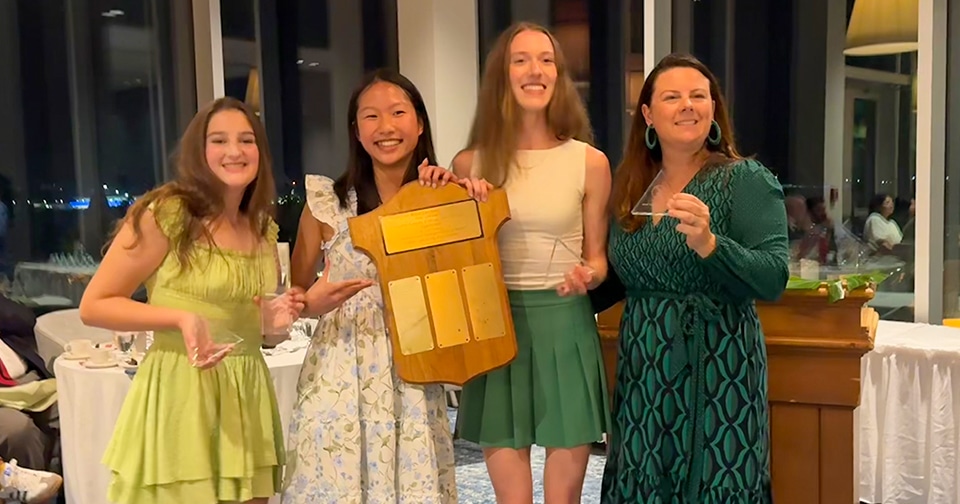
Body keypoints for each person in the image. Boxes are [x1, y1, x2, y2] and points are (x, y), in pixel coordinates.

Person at [420, 22, 612, 503]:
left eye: (546, 60)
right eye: (521, 59)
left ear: (559, 75)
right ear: (501, 76)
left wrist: (588, 276)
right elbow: (449, 259)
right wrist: (439, 194)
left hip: (566, 328)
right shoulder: (469, 165)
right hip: (495, 330)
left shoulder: (590, 162)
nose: (536, 70)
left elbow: (598, 262)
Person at [78, 97, 304, 504]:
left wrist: (271, 325)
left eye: (246, 140)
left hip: (246, 394)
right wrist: (179, 318)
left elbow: (255, 328)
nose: (234, 151)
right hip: (181, 390)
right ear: (199, 153)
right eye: (219, 140)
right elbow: (94, 304)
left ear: (260, 153)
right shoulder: (168, 213)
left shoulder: (262, 228)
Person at [588, 53, 789, 503]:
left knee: (716, 481)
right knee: (640, 480)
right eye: (672, 96)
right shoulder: (631, 185)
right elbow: (626, 276)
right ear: (647, 115)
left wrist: (711, 246)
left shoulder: (746, 180)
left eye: (699, 96)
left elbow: (774, 275)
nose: (687, 105)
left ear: (713, 109)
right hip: (643, 366)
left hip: (719, 366)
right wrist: (579, 283)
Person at [281, 69, 457, 503]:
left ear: (419, 124)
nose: (386, 127)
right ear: (356, 131)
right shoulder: (327, 205)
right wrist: (310, 304)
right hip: (340, 367)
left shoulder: (443, 197)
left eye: (398, 112)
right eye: (371, 116)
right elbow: (293, 295)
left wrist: (460, 195)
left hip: (415, 368)